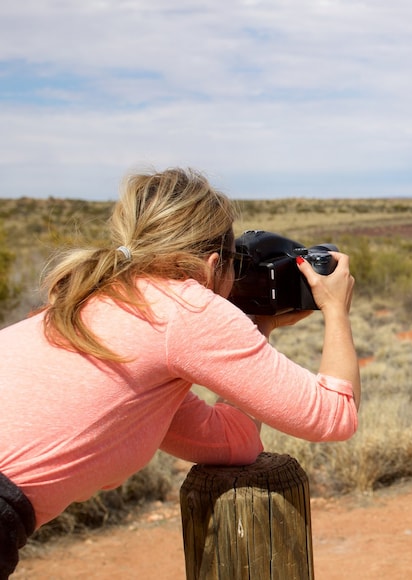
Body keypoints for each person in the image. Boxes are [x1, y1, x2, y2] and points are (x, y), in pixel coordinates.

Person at [0, 168, 360, 578]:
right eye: (235, 263)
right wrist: (335, 308)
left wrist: (260, 325)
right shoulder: (185, 306)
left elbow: (231, 441)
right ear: (211, 266)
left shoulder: (99, 301)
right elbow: (335, 414)